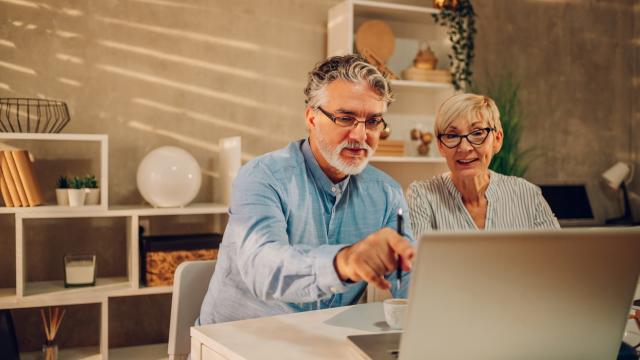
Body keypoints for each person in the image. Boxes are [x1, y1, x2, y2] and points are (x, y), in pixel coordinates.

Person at [199, 54, 415, 325]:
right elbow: (262, 268)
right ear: (312, 118)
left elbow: (408, 281)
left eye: (373, 122)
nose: (361, 136)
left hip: (320, 344)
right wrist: (343, 262)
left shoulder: (386, 193)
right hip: (235, 342)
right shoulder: (263, 177)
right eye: (346, 118)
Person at [407, 93, 560, 236]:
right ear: (441, 145)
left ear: (497, 139)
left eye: (477, 133)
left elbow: (557, 257)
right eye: (452, 135)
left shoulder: (527, 194)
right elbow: (418, 262)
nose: (465, 148)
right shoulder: (421, 196)